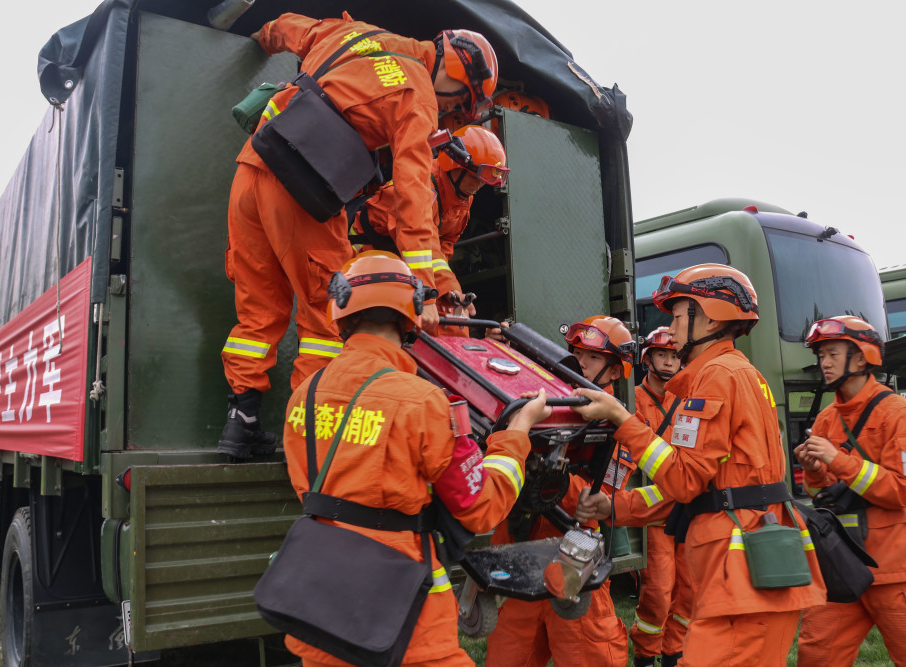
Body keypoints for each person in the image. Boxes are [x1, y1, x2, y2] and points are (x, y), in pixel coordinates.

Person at [218, 13, 499, 460]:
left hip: (252, 168)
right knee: (326, 317)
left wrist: (256, 36)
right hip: (302, 189)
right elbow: (412, 195)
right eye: (457, 102)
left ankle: (242, 423)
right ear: (455, 74)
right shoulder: (418, 96)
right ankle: (311, 441)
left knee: (258, 309)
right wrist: (425, 290)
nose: (449, 110)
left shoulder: (355, 34)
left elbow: (288, 27)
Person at [281, 250, 551, 666]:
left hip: (322, 607)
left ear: (342, 312)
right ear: (409, 314)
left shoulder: (306, 393)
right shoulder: (423, 400)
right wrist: (516, 435)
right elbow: (478, 508)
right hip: (408, 620)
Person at [571, 264, 826, 667]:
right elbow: (700, 485)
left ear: (708, 316)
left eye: (676, 316)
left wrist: (622, 420)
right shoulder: (732, 373)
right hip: (747, 576)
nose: (669, 330)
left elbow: (685, 481)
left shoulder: (718, 376)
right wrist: (615, 508)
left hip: (741, 580)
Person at [485, 315, 633, 667]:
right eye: (576, 353)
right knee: (509, 657)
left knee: (588, 655)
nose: (580, 363)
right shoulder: (543, 402)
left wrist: (556, 480)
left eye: (593, 357)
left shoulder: (617, 424)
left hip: (573, 560)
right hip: (521, 553)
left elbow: (602, 496)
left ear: (615, 372)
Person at [794, 315, 906, 666]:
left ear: (861, 358)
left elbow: (900, 492)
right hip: (841, 564)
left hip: (894, 570)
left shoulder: (897, 412)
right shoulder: (828, 417)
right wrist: (814, 473)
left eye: (831, 353)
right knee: (816, 654)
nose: (823, 362)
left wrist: (837, 460)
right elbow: (823, 495)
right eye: (821, 354)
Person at [349, 124, 509, 335]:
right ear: (454, 165)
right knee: (395, 322)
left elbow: (444, 245)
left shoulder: (462, 200)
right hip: (360, 257)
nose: (479, 185)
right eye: (475, 177)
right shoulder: (417, 187)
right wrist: (444, 289)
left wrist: (450, 293)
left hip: (405, 261)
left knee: (453, 321)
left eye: (484, 181)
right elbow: (423, 241)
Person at [623, 327, 690, 667]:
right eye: (662, 354)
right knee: (659, 592)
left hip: (688, 508)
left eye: (675, 355)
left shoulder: (689, 397)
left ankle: (673, 653)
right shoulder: (633, 399)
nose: (669, 361)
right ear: (647, 358)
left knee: (689, 591)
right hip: (654, 510)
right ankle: (647, 655)